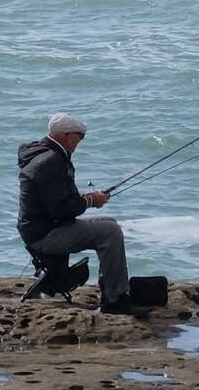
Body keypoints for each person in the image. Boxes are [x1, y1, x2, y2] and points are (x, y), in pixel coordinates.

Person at [17, 112, 140, 315]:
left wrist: (89, 198)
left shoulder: (42, 154)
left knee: (110, 222)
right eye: (79, 136)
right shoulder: (50, 161)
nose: (80, 142)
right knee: (110, 232)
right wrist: (91, 200)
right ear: (67, 136)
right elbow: (60, 209)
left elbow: (57, 201)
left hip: (38, 229)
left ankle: (112, 291)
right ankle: (115, 300)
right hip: (45, 236)